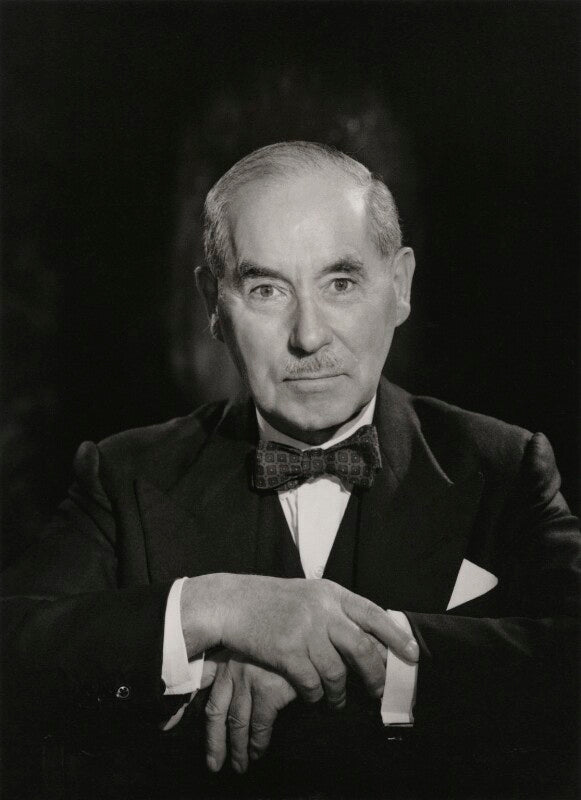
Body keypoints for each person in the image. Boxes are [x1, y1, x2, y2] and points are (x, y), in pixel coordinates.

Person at [2, 141, 579, 800]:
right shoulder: (123, 475)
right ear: (213, 305)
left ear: (399, 287)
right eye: (266, 289)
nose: (308, 336)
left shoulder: (502, 467)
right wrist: (217, 606)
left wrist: (365, 658)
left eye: (340, 283)